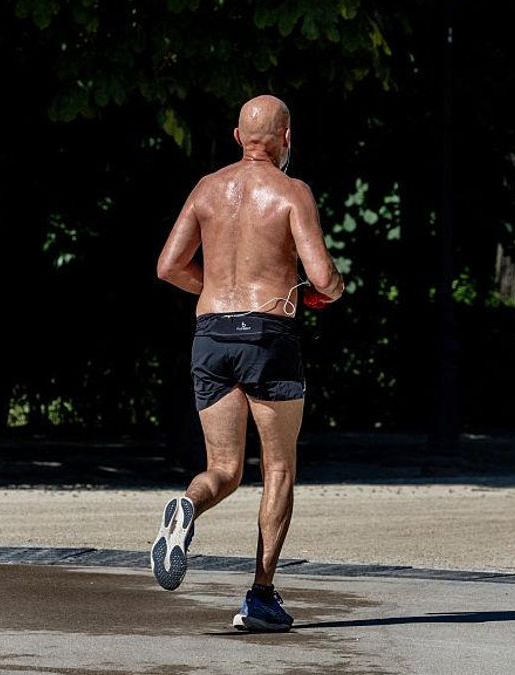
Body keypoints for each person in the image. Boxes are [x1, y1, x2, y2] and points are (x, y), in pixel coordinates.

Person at [152, 94, 345, 632]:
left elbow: (168, 266)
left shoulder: (207, 188)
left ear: (238, 138)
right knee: (278, 469)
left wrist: (214, 288)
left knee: (223, 470)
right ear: (287, 138)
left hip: (210, 332)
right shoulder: (291, 192)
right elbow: (324, 278)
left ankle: (188, 506)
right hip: (269, 334)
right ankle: (261, 596)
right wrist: (324, 294)